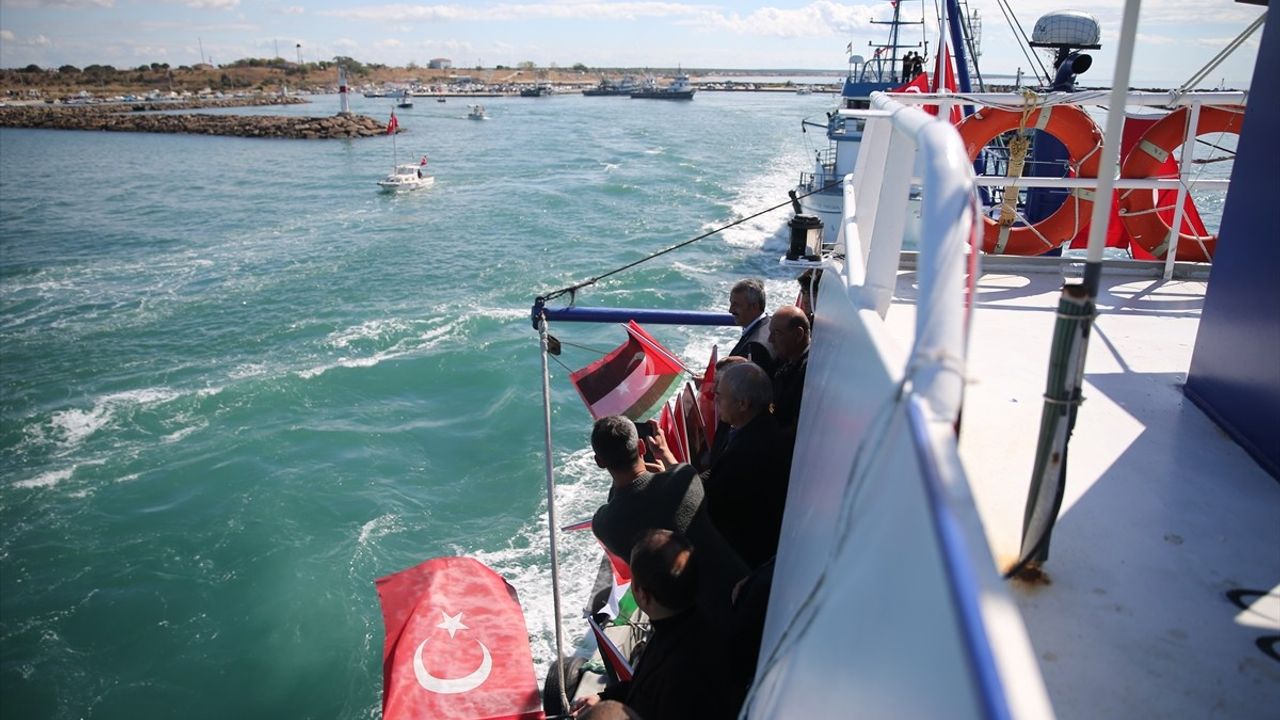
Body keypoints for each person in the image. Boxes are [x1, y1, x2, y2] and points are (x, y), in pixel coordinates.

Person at [572, 530, 740, 720]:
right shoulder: (692, 627)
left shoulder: (682, 671)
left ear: (642, 595)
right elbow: (643, 690)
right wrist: (603, 697)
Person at [589, 416, 749, 615]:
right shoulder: (684, 479)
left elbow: (618, 502)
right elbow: (680, 473)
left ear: (599, 462)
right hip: (746, 591)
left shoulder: (605, 525)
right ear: (641, 446)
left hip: (702, 623)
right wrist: (664, 455)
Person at [701, 362, 792, 568]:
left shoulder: (751, 449)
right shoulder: (756, 427)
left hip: (743, 557)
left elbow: (714, 500)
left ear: (742, 403)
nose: (715, 400)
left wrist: (673, 472)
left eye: (720, 395)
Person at [769, 305, 811, 433]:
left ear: (798, 334)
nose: (770, 340)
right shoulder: (785, 359)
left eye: (776, 333)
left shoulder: (807, 374)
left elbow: (794, 429)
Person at [727, 278, 774, 375]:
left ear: (754, 307)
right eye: (731, 303)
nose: (730, 310)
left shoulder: (755, 348)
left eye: (736, 305)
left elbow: (744, 388)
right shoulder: (769, 324)